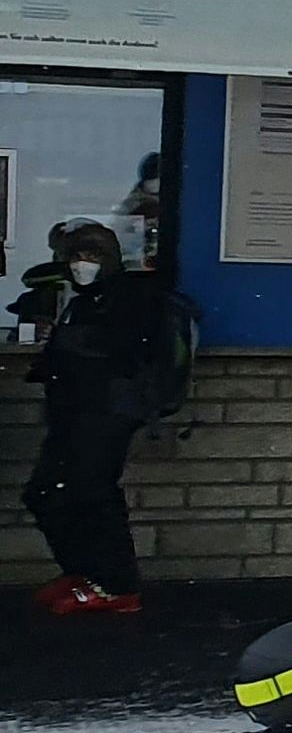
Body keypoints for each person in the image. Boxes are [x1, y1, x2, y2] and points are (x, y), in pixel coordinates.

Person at [15, 219, 171, 614]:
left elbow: (122, 353)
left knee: (93, 494)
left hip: (107, 413)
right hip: (73, 413)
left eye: (93, 255)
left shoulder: (130, 297)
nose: (82, 264)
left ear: (110, 259)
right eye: (76, 256)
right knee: (44, 494)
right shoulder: (82, 301)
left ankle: (117, 585)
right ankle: (85, 572)